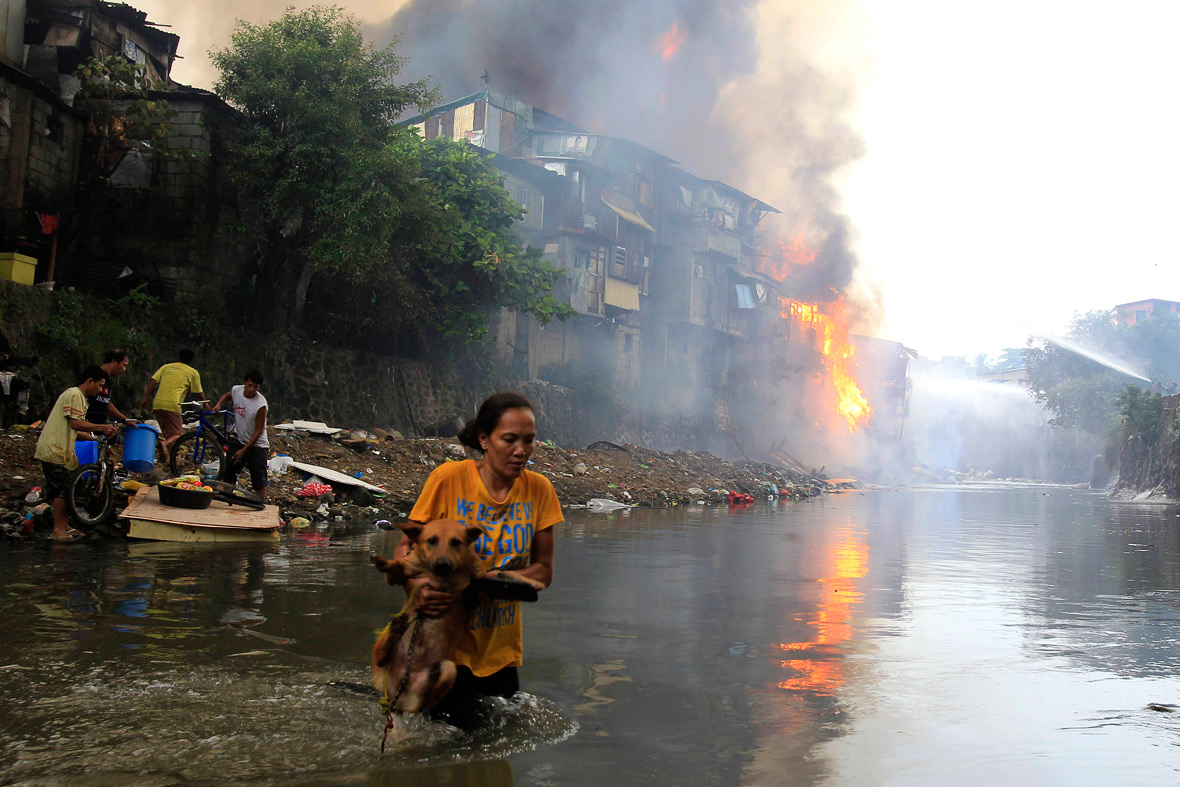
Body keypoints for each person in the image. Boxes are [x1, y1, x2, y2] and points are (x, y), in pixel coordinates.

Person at [391, 392, 561, 729]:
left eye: (529, 440)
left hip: (501, 652)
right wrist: (419, 589)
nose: (521, 450)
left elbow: (544, 570)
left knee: (495, 761)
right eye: (509, 439)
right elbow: (403, 552)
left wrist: (498, 581)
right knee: (448, 755)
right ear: (484, 439)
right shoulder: (448, 479)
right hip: (445, 648)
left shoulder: (539, 490)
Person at [34, 367, 118, 542]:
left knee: (67, 486)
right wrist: (102, 427)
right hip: (54, 448)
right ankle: (57, 530)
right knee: (60, 490)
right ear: (90, 381)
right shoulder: (74, 395)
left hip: (62, 449)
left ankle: (65, 525)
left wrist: (96, 438)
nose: (101, 390)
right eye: (100, 385)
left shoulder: (80, 398)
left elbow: (77, 429)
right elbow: (75, 423)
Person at [213, 369, 269, 502]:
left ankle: (261, 504)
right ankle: (227, 500)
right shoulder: (237, 390)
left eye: (255, 387)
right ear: (244, 383)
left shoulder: (260, 404)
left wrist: (244, 450)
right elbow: (227, 396)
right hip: (239, 439)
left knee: (258, 481)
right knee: (229, 473)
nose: (251, 389)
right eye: (249, 385)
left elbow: (259, 430)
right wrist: (219, 404)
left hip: (257, 445)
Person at [141, 349, 203, 452]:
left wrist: (146, 397)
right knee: (177, 434)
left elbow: (152, 380)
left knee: (169, 435)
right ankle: (164, 444)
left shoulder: (166, 367)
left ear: (179, 357)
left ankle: (169, 460)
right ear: (191, 361)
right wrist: (206, 405)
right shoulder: (193, 372)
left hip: (157, 404)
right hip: (172, 405)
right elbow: (199, 393)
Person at [87, 349, 138, 427]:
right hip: (87, 427)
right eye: (124, 365)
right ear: (114, 361)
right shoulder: (94, 374)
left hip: (99, 428)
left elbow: (106, 403)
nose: (124, 370)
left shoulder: (106, 380)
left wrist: (125, 420)